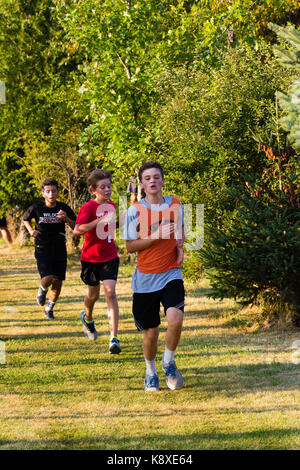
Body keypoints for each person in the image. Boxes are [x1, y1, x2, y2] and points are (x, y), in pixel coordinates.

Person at [124, 161, 185, 391]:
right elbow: (130, 246)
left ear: (162, 180)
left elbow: (181, 232)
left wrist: (180, 247)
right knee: (151, 332)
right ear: (141, 184)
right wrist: (157, 235)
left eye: (156, 177)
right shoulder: (134, 210)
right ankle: (150, 372)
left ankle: (168, 362)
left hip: (171, 273)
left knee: (176, 319)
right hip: (146, 279)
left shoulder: (176, 204)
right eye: (147, 178)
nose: (152, 181)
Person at [73, 169, 121, 354]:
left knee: (111, 293)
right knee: (93, 295)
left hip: (110, 256)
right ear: (94, 190)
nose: (107, 190)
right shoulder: (88, 208)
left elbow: (111, 225)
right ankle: (88, 318)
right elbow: (78, 230)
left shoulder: (113, 205)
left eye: (109, 186)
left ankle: (113, 338)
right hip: (90, 258)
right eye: (103, 187)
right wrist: (98, 221)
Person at [22, 178, 76, 319]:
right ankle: (42, 290)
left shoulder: (63, 208)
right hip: (42, 246)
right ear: (43, 193)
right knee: (48, 277)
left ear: (58, 192)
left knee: (58, 280)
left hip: (59, 246)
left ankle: (50, 308)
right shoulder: (37, 207)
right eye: (48, 191)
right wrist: (30, 230)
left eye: (53, 191)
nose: (51, 194)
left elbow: (75, 226)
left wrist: (66, 219)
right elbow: (25, 218)